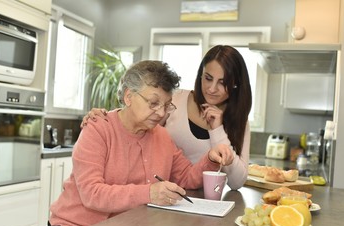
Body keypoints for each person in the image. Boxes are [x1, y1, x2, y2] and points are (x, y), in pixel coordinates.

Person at [39, 60, 234, 226]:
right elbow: (92, 194)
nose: (160, 113)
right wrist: (149, 193)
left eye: (166, 105)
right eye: (153, 103)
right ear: (129, 96)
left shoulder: (162, 137)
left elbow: (187, 178)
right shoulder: (98, 128)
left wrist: (210, 158)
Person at [82, 45, 252, 189]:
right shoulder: (176, 99)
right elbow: (135, 114)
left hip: (184, 198)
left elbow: (234, 182)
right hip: (160, 197)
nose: (212, 88)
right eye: (208, 78)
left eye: (222, 82)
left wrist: (217, 133)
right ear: (200, 74)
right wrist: (105, 117)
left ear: (236, 84)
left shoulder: (239, 121)